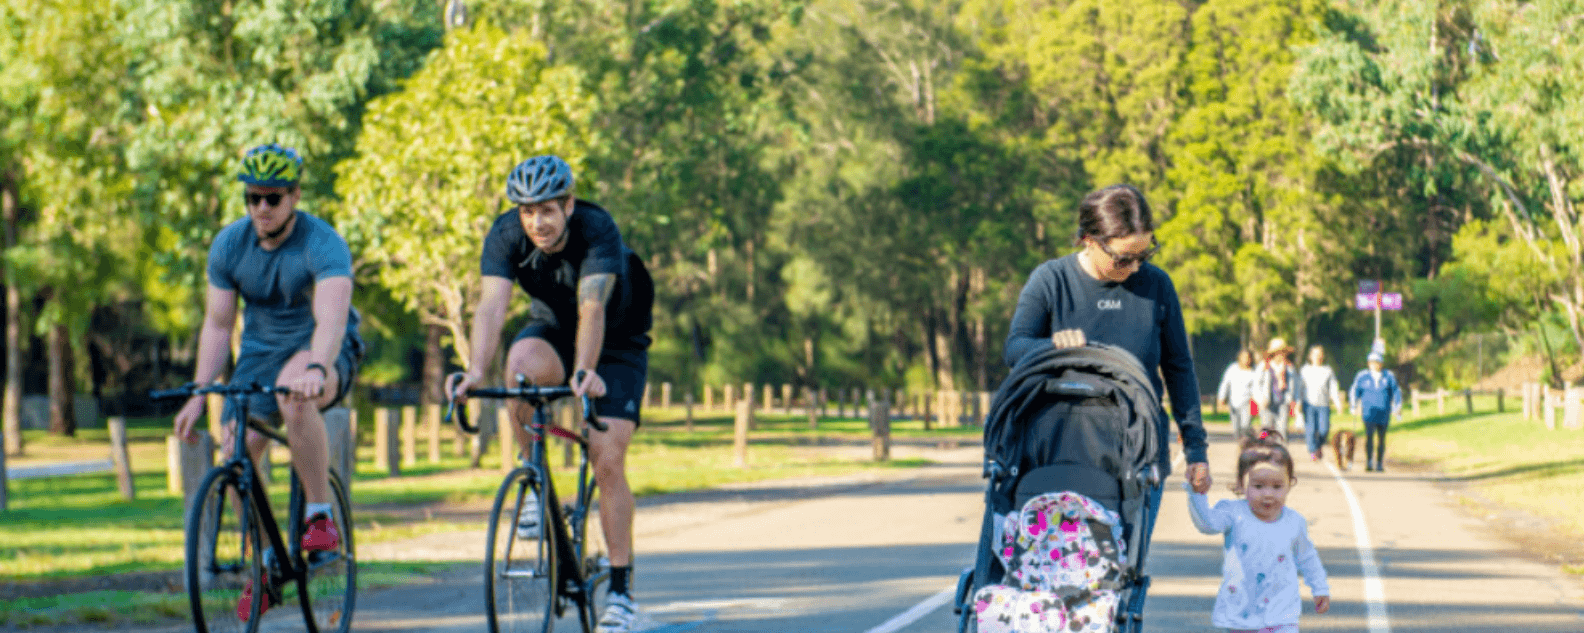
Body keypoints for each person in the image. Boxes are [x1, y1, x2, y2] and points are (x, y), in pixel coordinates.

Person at [448, 155, 654, 633]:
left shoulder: (598, 229)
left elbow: (593, 308)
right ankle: (536, 489)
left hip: (618, 341)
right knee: (517, 373)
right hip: (555, 327)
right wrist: (476, 370)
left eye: (546, 210)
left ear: (568, 204)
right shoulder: (505, 236)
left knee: (606, 456)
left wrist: (585, 371)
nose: (536, 222)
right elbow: (491, 307)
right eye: (526, 211)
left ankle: (621, 595)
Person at [171, 143, 364, 620]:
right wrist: (199, 392)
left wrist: (318, 369)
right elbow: (218, 326)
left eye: (272, 198)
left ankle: (319, 518)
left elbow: (332, 317)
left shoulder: (323, 243)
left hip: (323, 347)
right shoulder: (229, 245)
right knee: (236, 443)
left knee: (294, 397)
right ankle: (267, 558)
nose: (261, 208)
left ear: (294, 196)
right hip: (259, 354)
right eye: (252, 198)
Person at [1004, 183, 1212, 540]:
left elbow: (1179, 368)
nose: (1133, 269)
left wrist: (1196, 448)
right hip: (1059, 446)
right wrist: (1051, 345)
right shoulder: (1051, 280)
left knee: (1124, 565)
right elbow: (1015, 348)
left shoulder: (1157, 286)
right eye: (1122, 259)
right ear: (1088, 239)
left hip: (1137, 448)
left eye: (1144, 256)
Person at [1187, 432, 1330, 632]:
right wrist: (1196, 493)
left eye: (1277, 486)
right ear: (1240, 484)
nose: (1268, 494)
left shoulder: (1294, 522)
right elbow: (1207, 523)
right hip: (1242, 615)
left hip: (1282, 615)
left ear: (1290, 483)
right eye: (1258, 486)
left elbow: (1307, 557)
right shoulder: (1233, 513)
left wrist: (1319, 587)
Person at [1349, 351, 1401, 472]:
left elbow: (1396, 391)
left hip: (1384, 412)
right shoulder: (1362, 376)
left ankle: (1379, 462)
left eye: (1377, 362)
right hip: (1369, 412)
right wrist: (1353, 405)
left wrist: (1397, 406)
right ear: (1368, 363)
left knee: (1381, 438)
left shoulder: (1388, 376)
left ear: (1381, 364)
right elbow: (1355, 390)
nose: (1374, 365)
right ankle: (1369, 461)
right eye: (1372, 362)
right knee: (1369, 437)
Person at [1298, 345, 1343, 462]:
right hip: (1309, 405)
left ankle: (1318, 446)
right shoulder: (1305, 370)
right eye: (1315, 354)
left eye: (1320, 354)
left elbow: (1333, 388)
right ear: (1310, 356)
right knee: (1311, 430)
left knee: (1324, 430)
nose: (1317, 357)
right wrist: (1298, 402)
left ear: (1323, 356)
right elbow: (1300, 388)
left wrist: (1338, 403)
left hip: (1323, 405)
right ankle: (1313, 450)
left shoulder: (1328, 371)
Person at [1254, 338, 1301, 438]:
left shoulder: (1289, 368)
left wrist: (1296, 402)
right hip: (1267, 403)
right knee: (1267, 430)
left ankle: (1281, 451)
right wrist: (1260, 399)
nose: (1281, 355)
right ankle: (1266, 451)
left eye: (1283, 352)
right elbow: (1256, 385)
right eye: (1278, 352)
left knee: (1282, 431)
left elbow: (1295, 386)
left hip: (1283, 402)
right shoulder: (1264, 366)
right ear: (1273, 354)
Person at [1217, 349, 1259, 439]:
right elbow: (1225, 384)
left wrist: (1257, 402)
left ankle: (1245, 446)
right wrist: (1221, 398)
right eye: (1244, 357)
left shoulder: (1254, 371)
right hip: (1234, 403)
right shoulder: (1232, 368)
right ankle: (1242, 443)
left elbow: (1256, 388)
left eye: (1248, 357)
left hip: (1247, 403)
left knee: (1245, 427)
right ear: (1239, 358)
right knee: (1236, 429)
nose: (1246, 360)